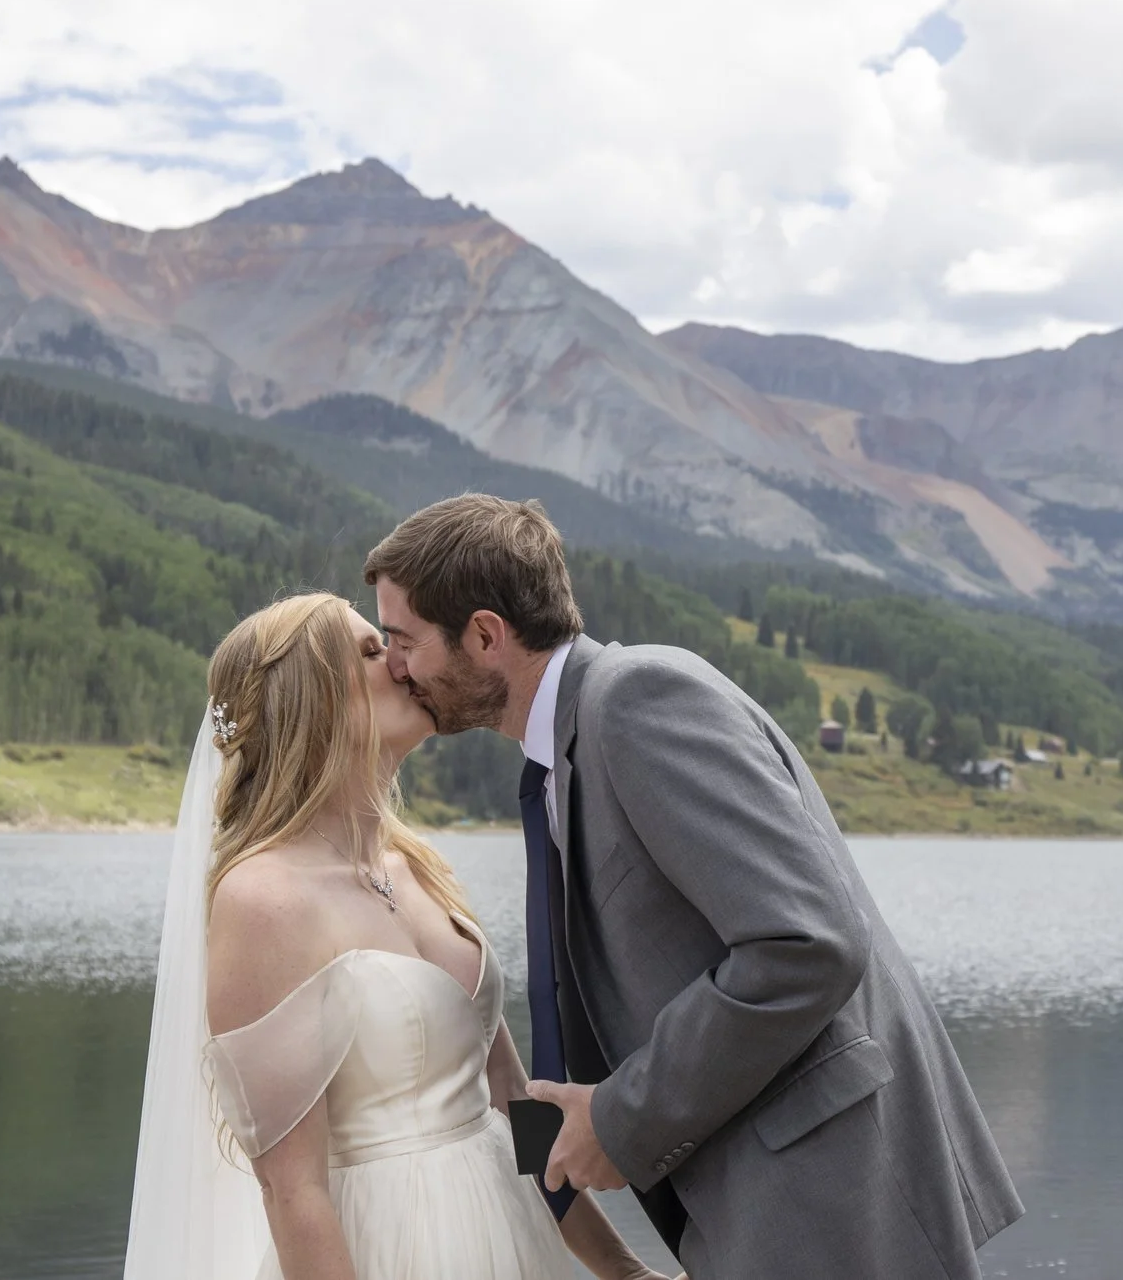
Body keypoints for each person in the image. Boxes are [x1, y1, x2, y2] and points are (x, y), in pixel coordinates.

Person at [367, 495, 1024, 1280]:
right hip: (762, 1207)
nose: (398, 666)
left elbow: (808, 941)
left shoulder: (637, 700)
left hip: (830, 1203)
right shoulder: (561, 756)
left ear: (484, 634)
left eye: (404, 641)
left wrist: (620, 1118)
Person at [121, 591, 674, 1280]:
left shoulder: (415, 866)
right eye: (372, 651)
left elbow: (508, 1104)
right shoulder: (261, 899)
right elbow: (292, 1190)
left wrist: (623, 1270)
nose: (406, 664)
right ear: (311, 696)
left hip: (512, 1243)